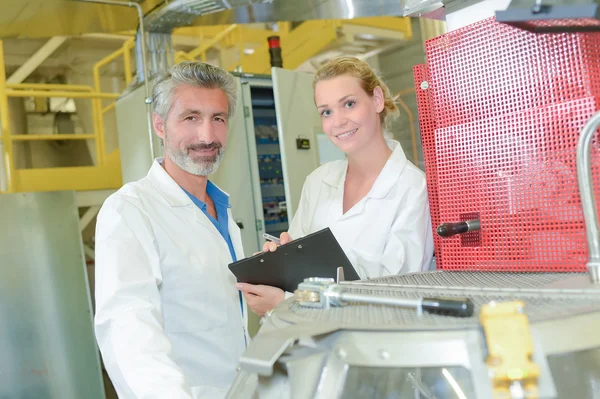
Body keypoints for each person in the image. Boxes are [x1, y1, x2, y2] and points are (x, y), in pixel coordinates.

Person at [94, 62, 248, 399]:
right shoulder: (130, 210)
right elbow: (128, 331)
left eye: (218, 118)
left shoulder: (221, 208)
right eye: (191, 118)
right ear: (160, 125)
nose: (207, 136)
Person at [237, 56, 434, 316]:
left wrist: (287, 304)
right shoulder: (318, 181)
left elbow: (396, 300)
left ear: (376, 99)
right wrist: (278, 263)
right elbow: (296, 280)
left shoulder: (413, 188)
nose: (338, 121)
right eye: (326, 111)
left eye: (349, 104)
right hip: (315, 341)